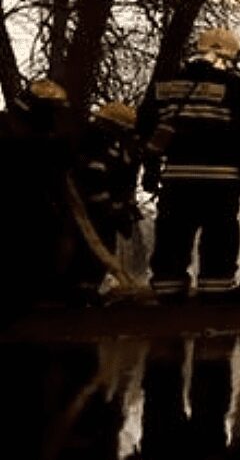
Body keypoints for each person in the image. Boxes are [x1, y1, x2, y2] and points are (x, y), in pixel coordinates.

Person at [138, 27, 240, 303]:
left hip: (177, 180)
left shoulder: (165, 85)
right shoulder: (235, 87)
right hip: (221, 181)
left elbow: (146, 127)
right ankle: (215, 290)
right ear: (230, 56)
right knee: (219, 236)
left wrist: (150, 169)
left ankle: (169, 291)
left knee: (173, 235)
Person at [0, 77, 72, 317]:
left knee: (38, 240)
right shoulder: (9, 130)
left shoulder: (34, 131)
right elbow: (26, 160)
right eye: (53, 111)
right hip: (16, 204)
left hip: (32, 202)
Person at [66, 100, 142, 304]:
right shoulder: (98, 143)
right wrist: (107, 207)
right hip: (92, 214)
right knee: (90, 252)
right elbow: (94, 176)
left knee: (102, 251)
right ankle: (80, 294)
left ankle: (87, 291)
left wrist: (126, 208)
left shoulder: (113, 145)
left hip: (103, 213)